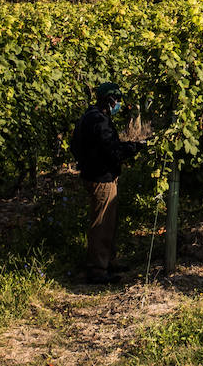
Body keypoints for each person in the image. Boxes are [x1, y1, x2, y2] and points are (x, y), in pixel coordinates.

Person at [70, 81, 145, 284]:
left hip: (95, 174)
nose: (119, 104)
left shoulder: (90, 116)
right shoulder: (99, 121)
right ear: (109, 99)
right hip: (101, 178)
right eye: (117, 100)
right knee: (102, 224)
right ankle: (97, 270)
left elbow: (77, 145)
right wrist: (136, 148)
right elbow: (113, 150)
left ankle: (107, 261)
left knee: (108, 221)